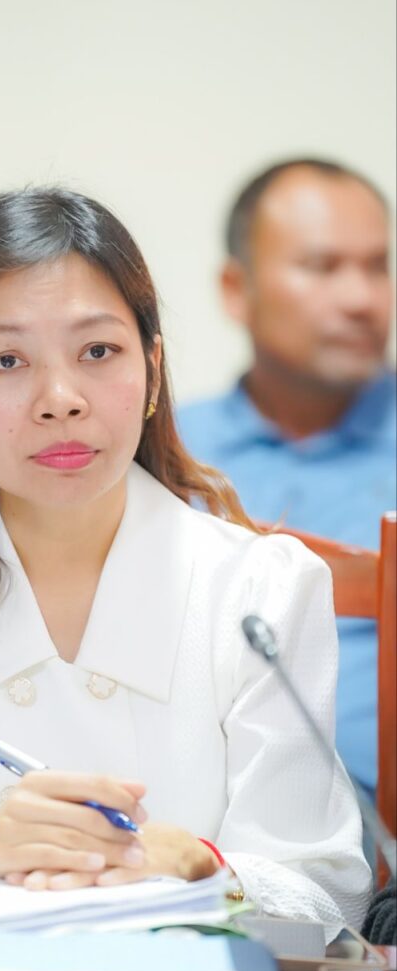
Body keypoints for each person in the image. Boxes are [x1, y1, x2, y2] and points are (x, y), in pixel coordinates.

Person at [0, 188, 370, 938]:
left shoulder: (265, 590)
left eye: (97, 352)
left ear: (152, 368)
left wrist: (195, 863)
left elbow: (325, 896)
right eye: (6, 360)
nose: (60, 400)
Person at [178, 158, 395, 799]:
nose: (361, 299)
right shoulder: (158, 453)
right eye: (322, 267)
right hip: (191, 821)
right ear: (235, 289)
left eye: (377, 266)